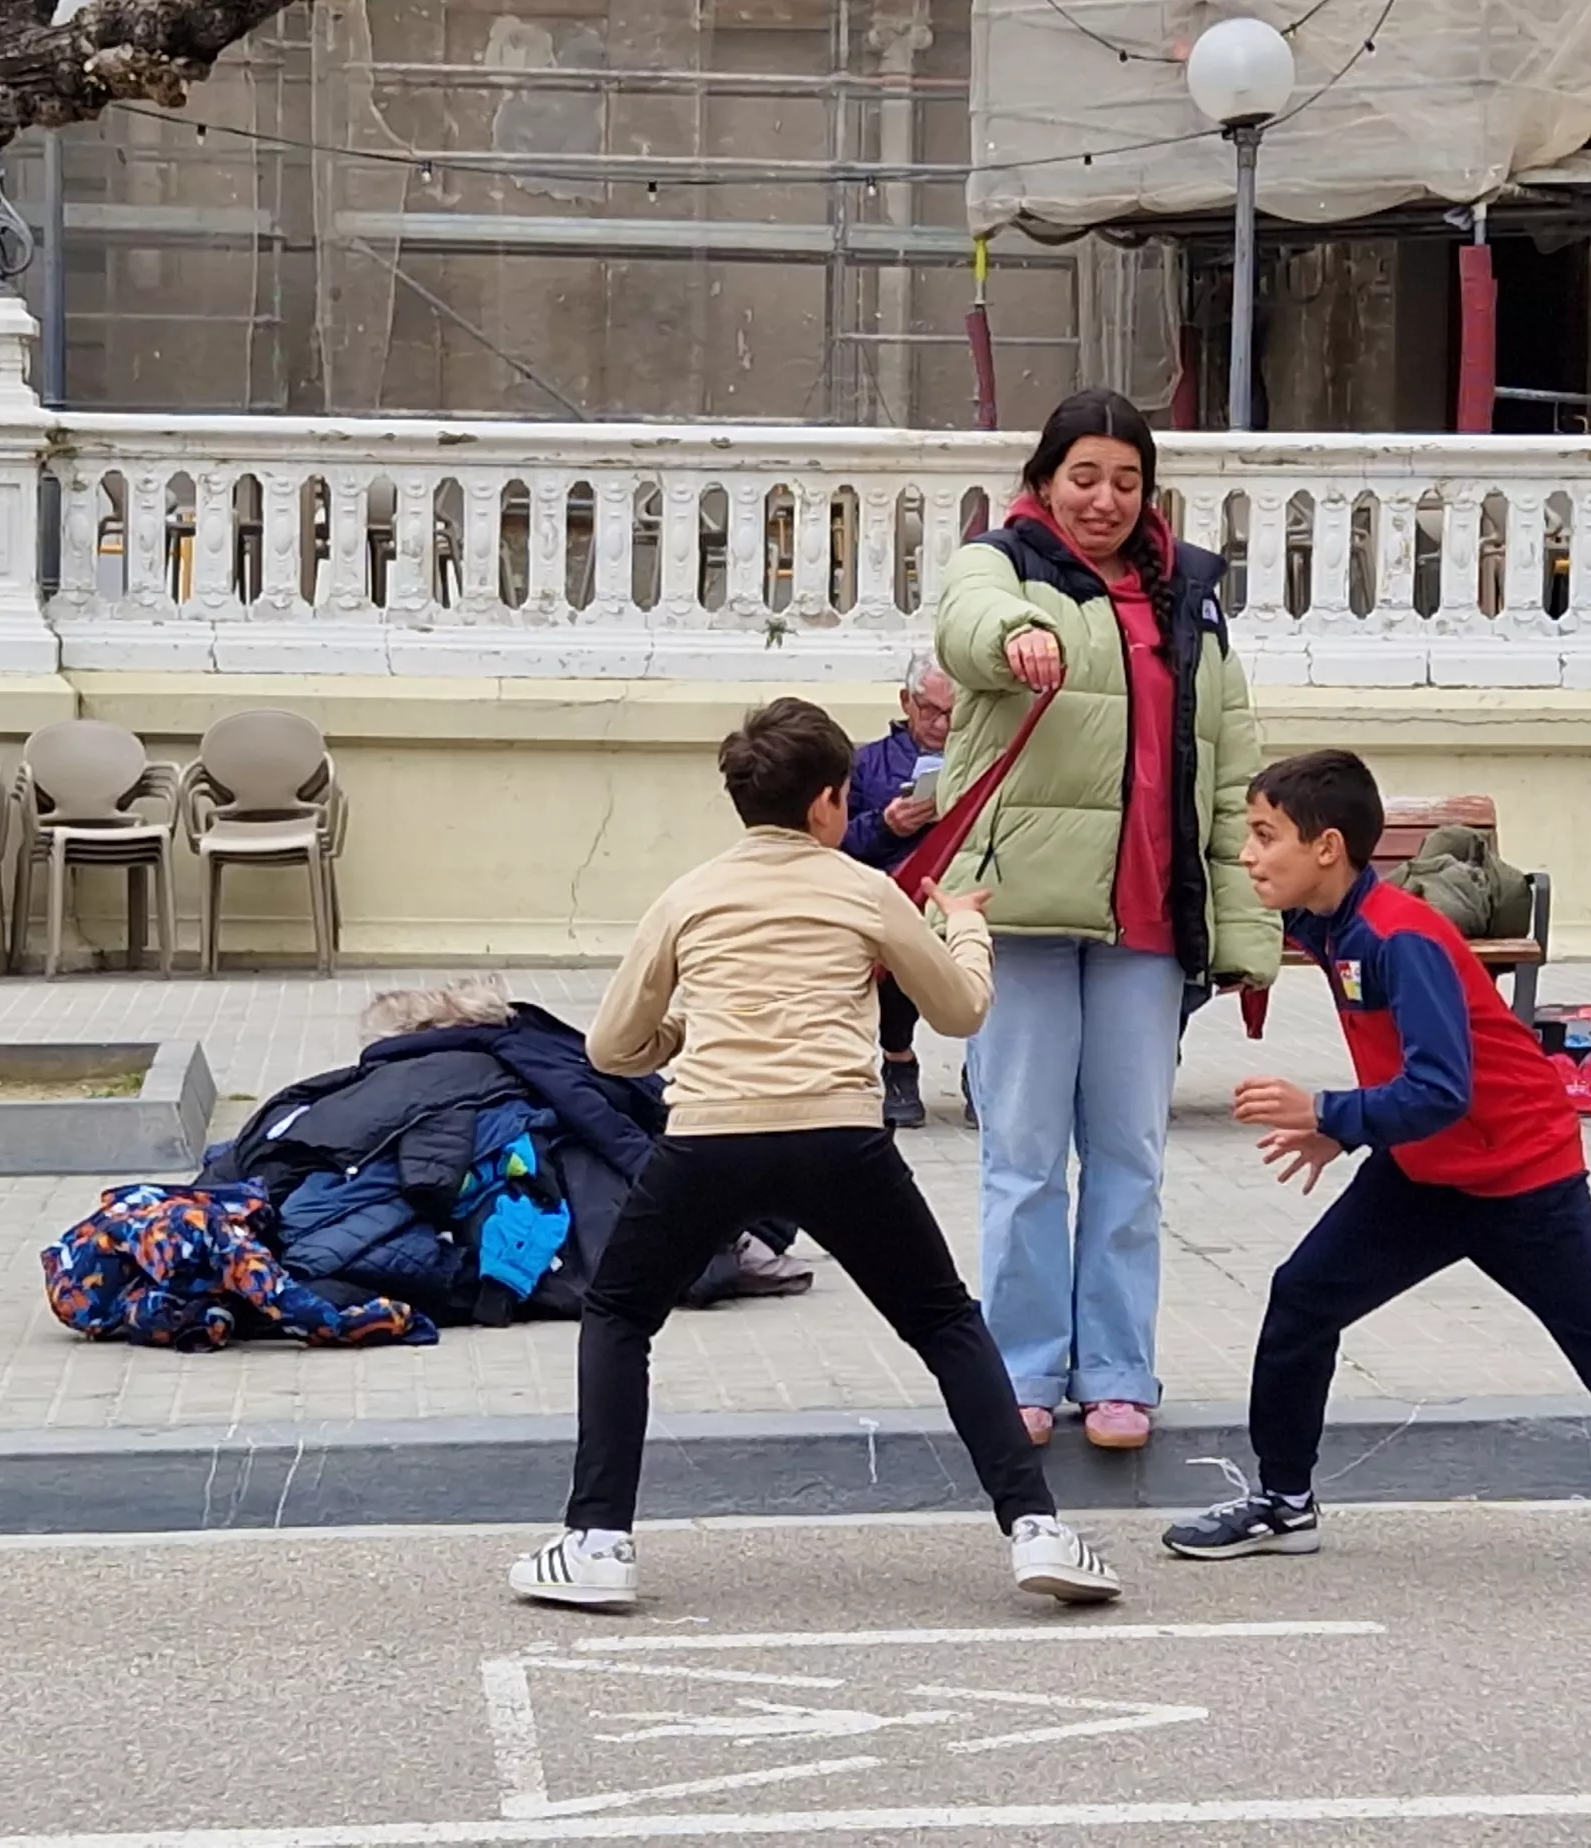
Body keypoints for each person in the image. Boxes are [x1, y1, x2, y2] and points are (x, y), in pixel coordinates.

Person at [510, 696, 1126, 1611]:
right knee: (945, 1322)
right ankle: (1035, 1528)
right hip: (840, 1136)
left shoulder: (688, 895)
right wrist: (965, 925)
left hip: (711, 1135)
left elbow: (611, 1047)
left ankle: (598, 1540)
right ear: (830, 802)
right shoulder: (864, 890)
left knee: (621, 1314)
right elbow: (959, 1010)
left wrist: (683, 1032)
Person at [1162, 750, 1591, 1588]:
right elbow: (1410, 1078)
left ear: (1326, 847)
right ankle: (1285, 1502)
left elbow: (1443, 1089)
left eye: (1265, 835)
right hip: (1424, 1173)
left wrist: (1329, 1112)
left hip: (1522, 1177)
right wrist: (1351, 1133)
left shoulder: (1401, 937)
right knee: (1302, 1299)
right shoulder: (1327, 924)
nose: (1249, 854)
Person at [928, 389, 1277, 1452]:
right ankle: (1024, 1371)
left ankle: (1120, 1372)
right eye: (1083, 477)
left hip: (1148, 923)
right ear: (1044, 481)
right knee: (1025, 1158)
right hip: (1020, 914)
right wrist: (1020, 636)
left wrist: (1244, 930)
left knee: (1130, 1160)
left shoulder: (1190, 598)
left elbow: (1231, 774)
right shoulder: (1000, 566)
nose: (1105, 500)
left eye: (1126, 482)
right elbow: (965, 628)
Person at [841, 655, 962, 1129]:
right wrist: (886, 824)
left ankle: (984, 1071)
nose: (941, 724)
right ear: (906, 702)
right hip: (894, 895)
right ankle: (898, 1061)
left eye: (952, 712)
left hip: (963, 895)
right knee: (892, 950)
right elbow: (838, 842)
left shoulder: (982, 757)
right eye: (930, 710)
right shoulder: (867, 764)